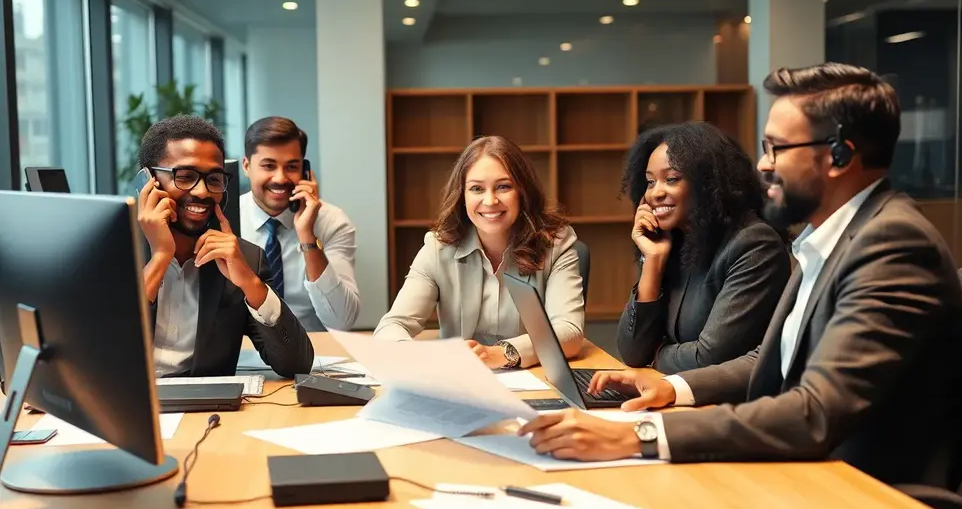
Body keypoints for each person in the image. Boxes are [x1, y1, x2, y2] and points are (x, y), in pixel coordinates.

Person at [519, 63, 962, 489]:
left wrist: (640, 435)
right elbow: (769, 359)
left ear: (837, 155)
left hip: (860, 490)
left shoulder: (891, 245)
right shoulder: (830, 239)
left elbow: (815, 411)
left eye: (777, 148)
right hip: (805, 465)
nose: (763, 165)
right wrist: (671, 386)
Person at [373, 135, 585, 369]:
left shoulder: (555, 244)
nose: (490, 200)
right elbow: (392, 326)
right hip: (461, 383)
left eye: (503, 187)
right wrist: (422, 357)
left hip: (535, 378)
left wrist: (504, 353)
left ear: (522, 192)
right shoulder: (437, 248)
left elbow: (570, 331)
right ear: (462, 195)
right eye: (476, 189)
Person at [136, 115, 314, 378]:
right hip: (125, 410)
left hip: (206, 411)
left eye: (214, 179)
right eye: (185, 176)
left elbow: (296, 364)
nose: (202, 191)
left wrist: (249, 282)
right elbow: (101, 356)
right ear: (147, 181)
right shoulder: (109, 252)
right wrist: (160, 257)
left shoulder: (244, 259)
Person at [617, 122, 790, 374]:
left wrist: (656, 355)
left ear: (708, 183)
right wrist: (651, 262)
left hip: (729, 406)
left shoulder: (754, 245)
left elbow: (709, 357)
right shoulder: (673, 242)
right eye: (650, 182)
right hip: (674, 395)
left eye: (672, 179)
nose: (655, 193)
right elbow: (632, 352)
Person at [239, 116, 360, 331]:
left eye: (291, 167)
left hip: (314, 353)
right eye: (268, 165)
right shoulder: (226, 220)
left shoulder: (332, 221)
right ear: (247, 166)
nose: (280, 178)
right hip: (242, 352)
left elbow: (342, 321)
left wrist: (307, 235)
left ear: (304, 170)